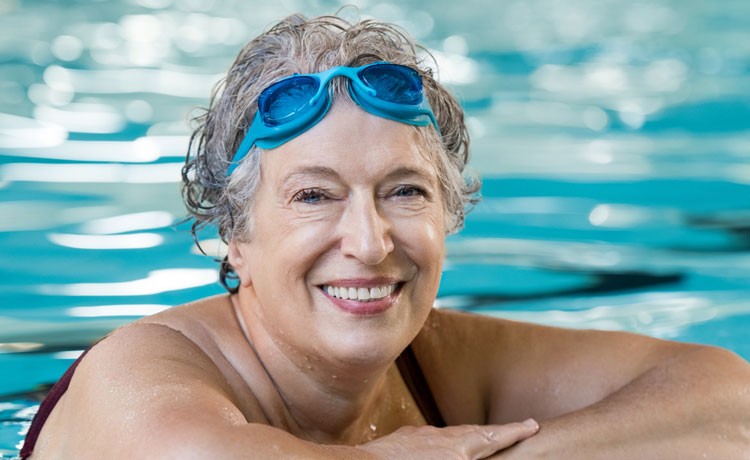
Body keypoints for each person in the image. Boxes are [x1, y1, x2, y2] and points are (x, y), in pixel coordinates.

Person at [21, 13, 750, 459]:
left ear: (447, 214)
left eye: (404, 191)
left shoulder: (435, 364)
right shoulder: (142, 371)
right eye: (314, 196)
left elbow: (729, 404)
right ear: (234, 237)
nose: (369, 243)